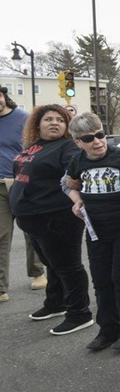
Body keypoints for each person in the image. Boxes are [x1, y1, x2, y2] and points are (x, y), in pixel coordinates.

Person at [63, 112, 120, 352]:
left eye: (100, 134)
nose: (97, 141)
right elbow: (71, 184)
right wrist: (76, 200)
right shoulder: (77, 161)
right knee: (101, 280)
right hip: (95, 228)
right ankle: (108, 330)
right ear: (78, 142)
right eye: (89, 138)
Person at [10, 105, 94, 335]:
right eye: (48, 119)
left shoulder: (67, 147)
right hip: (31, 219)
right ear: (38, 124)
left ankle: (79, 313)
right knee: (52, 265)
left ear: (68, 125)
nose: (54, 123)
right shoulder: (35, 147)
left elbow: (76, 175)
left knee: (68, 267)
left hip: (57, 218)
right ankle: (56, 303)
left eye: (60, 119)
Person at [0, 86, 46, 303]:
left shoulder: (24, 119)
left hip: (23, 182)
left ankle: (37, 272)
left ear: (4, 97)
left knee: (31, 229)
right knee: (1, 235)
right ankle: (1, 287)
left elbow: (38, 146)